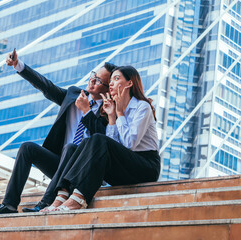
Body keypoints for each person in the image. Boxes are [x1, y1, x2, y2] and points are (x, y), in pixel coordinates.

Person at [0, 50, 116, 215]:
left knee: (71, 147)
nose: (91, 80)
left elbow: (103, 138)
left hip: (82, 170)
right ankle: (9, 205)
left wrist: (86, 111)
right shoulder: (73, 95)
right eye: (93, 75)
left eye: (98, 80)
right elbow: (46, 86)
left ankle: (46, 202)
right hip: (60, 165)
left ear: (107, 89)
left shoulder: (108, 109)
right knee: (27, 148)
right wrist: (19, 66)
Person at [41, 65, 160, 212]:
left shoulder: (142, 107)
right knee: (80, 144)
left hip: (145, 167)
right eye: (110, 80)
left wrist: (120, 114)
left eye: (116, 79)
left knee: (97, 138)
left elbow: (129, 144)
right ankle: (62, 195)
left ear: (130, 83)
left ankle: (78, 198)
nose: (111, 83)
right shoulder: (115, 108)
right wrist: (112, 117)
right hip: (124, 167)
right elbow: (113, 146)